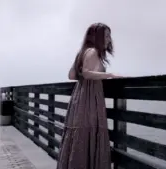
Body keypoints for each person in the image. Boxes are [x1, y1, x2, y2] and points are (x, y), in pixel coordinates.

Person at [57, 23, 121, 169]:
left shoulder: (83, 52)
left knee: (80, 134)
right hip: (90, 99)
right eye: (106, 36)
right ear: (97, 37)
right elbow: (86, 73)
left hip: (80, 98)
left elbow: (72, 75)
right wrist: (109, 75)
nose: (109, 39)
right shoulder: (93, 52)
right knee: (89, 132)